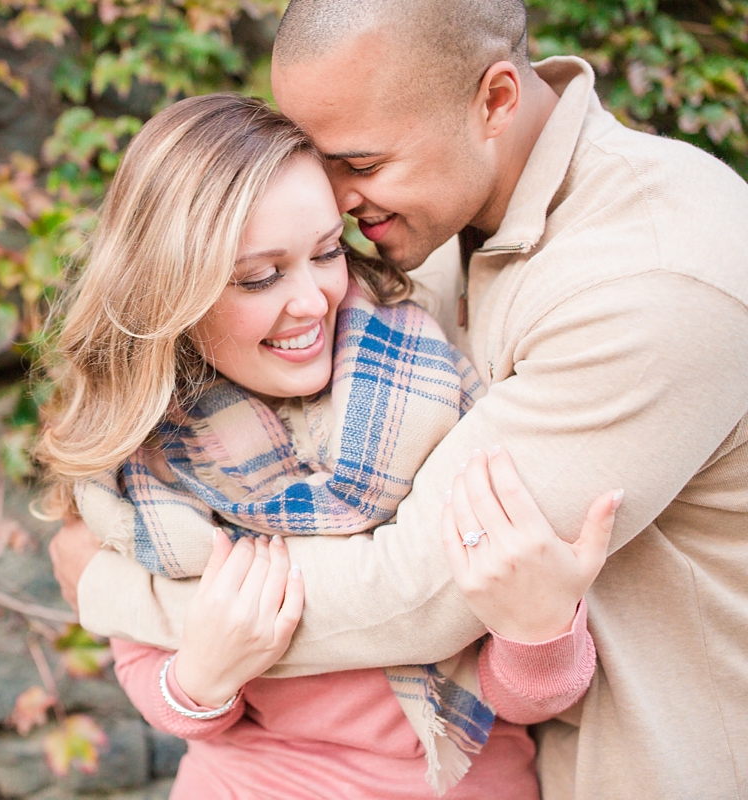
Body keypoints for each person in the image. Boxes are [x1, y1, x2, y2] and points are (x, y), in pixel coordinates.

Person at [48, 1, 748, 799]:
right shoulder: (434, 218)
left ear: (495, 102)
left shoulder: (653, 274)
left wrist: (111, 590)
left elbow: (422, 592)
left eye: (363, 163)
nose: (337, 204)